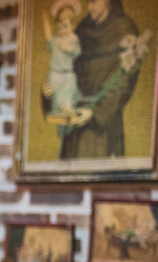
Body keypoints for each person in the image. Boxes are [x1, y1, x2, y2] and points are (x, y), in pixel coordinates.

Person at [49, 0, 141, 159]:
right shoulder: (82, 29)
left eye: (93, 1)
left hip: (103, 127)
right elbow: (67, 68)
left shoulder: (125, 28)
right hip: (76, 118)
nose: (89, 7)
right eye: (88, 2)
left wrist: (94, 112)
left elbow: (125, 81)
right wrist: (51, 91)